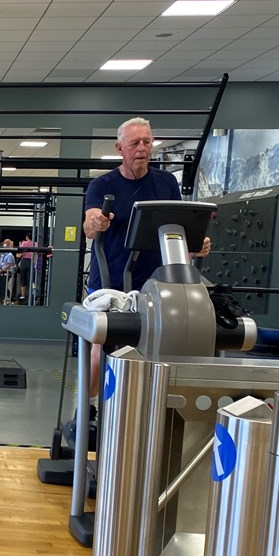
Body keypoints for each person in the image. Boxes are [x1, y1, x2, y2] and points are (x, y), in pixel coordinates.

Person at [83, 117, 211, 387]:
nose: (142, 148)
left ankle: (142, 406)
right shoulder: (102, 185)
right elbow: (90, 224)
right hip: (110, 283)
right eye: (134, 143)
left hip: (155, 285)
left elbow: (179, 225)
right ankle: (88, 412)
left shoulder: (166, 183)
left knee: (151, 352)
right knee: (99, 348)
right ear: (120, 148)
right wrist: (95, 222)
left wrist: (194, 245)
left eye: (146, 142)